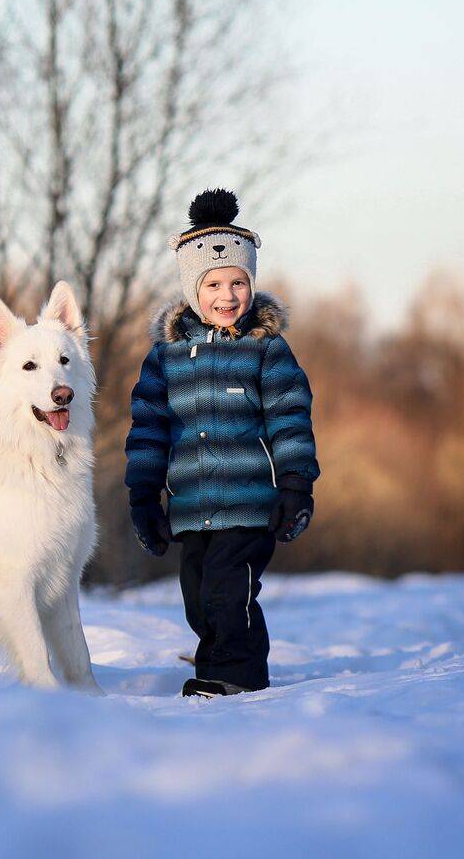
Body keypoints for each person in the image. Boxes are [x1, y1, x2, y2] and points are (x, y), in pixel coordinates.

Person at [124, 188, 320, 698]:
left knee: (230, 593)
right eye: (214, 284)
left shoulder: (266, 349)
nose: (228, 296)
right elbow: (148, 427)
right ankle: (217, 667)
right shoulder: (166, 357)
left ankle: (236, 676)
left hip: (250, 504)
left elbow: (289, 417)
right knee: (199, 599)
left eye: (239, 282)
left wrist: (296, 484)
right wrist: (144, 497)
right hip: (191, 507)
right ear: (193, 289)